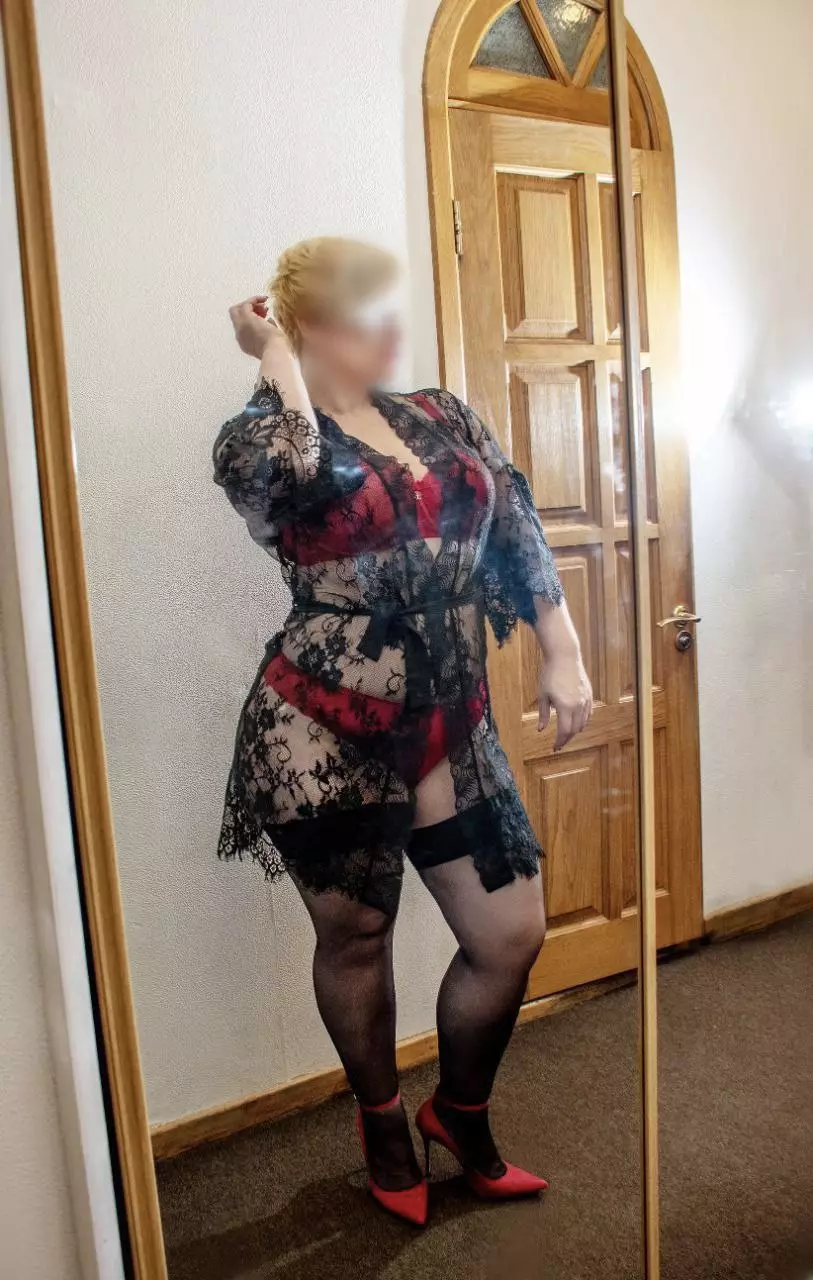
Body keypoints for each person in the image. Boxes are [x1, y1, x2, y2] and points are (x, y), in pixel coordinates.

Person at [213, 237, 592, 1225]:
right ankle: (382, 1122)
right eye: (360, 313)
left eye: (389, 308)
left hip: (453, 718)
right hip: (322, 729)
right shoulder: (255, 437)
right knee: (356, 937)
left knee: (510, 932)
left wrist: (561, 646)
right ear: (305, 325)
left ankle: (457, 1112)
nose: (387, 329)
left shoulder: (439, 413)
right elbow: (298, 470)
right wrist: (276, 360)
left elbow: (511, 521)